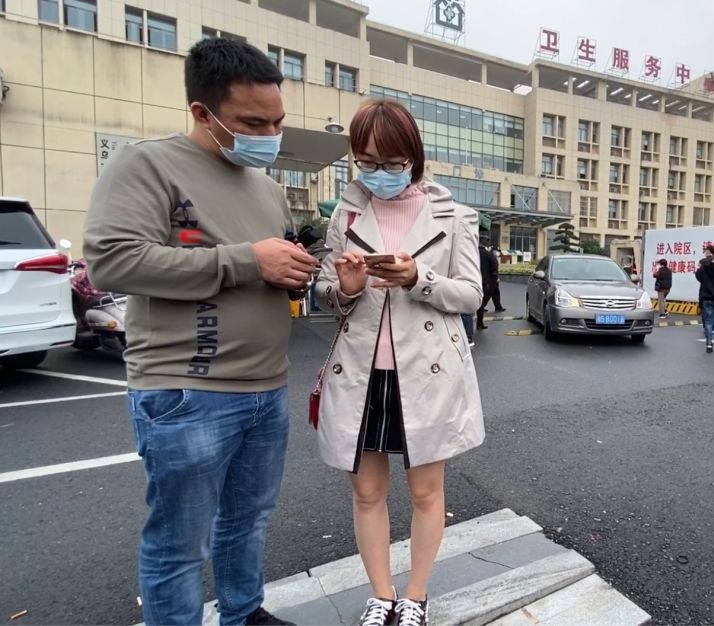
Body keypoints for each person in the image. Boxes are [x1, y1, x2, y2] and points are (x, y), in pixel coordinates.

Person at [83, 38, 316, 626]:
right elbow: (112, 261)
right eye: (251, 122)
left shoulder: (265, 186)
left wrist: (296, 273)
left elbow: (269, 264)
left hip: (266, 388)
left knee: (248, 520)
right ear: (200, 112)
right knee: (179, 543)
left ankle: (244, 613)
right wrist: (247, 261)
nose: (268, 133)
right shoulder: (146, 164)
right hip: (187, 390)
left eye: (277, 121)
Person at [313, 99, 485, 626]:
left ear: (413, 157)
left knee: (426, 490)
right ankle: (381, 595)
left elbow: (473, 294)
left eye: (391, 163)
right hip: (361, 373)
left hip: (427, 371)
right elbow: (324, 289)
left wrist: (419, 279)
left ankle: (415, 596)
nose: (379, 174)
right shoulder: (345, 214)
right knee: (367, 492)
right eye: (367, 162)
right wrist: (343, 289)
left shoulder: (455, 216)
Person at [476, 237, 500, 329]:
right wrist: (494, 278)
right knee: (480, 303)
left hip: (471, 280)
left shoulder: (473, 254)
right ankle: (479, 323)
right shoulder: (488, 254)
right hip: (485, 281)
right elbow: (495, 267)